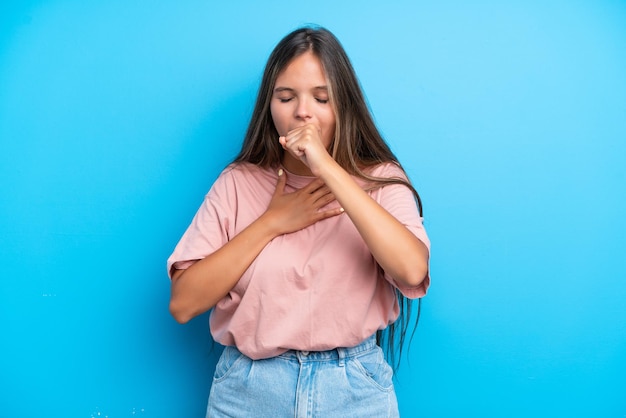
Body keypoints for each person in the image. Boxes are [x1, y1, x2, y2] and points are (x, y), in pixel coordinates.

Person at [167, 25, 431, 418]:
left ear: (344, 104)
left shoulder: (381, 180)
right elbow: (184, 304)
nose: (302, 111)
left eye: (321, 98)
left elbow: (412, 271)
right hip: (249, 391)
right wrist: (272, 223)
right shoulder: (237, 183)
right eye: (286, 97)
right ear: (269, 106)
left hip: (355, 391)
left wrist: (325, 166)